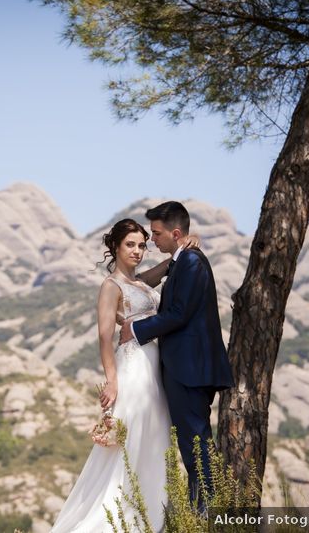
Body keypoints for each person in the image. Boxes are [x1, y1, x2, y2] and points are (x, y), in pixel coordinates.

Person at [51, 218, 181, 532]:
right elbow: (104, 336)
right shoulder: (110, 287)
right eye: (130, 245)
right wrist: (112, 380)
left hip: (155, 371)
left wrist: (178, 252)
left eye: (141, 245)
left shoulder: (139, 284)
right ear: (116, 247)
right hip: (133, 370)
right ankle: (119, 522)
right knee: (131, 442)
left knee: (154, 439)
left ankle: (150, 519)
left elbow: (155, 275)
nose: (137, 251)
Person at [119, 201, 234, 511]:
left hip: (191, 369)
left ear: (176, 232)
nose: (152, 240)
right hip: (183, 368)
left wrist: (136, 330)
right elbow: (142, 284)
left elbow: (179, 314)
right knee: (191, 445)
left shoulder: (193, 263)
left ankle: (207, 514)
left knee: (196, 444)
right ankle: (203, 511)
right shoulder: (181, 262)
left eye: (156, 234)